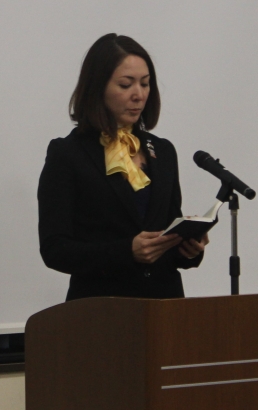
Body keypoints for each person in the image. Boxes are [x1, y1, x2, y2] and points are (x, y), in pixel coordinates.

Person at [37, 33, 207, 300]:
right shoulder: (68, 154)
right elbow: (54, 249)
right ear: (97, 87)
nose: (139, 95)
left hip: (165, 305)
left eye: (145, 83)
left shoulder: (163, 151)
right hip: (102, 308)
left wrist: (188, 248)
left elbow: (165, 240)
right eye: (126, 85)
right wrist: (126, 251)